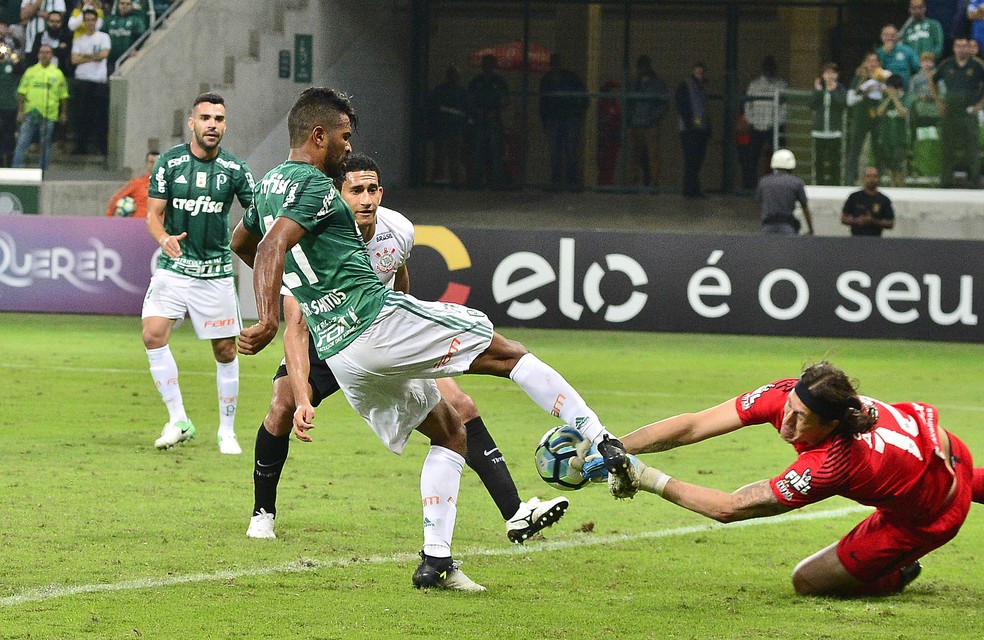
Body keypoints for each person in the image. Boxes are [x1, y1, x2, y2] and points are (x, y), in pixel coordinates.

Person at [238, 87, 632, 592]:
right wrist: (269, 317)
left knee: (450, 430)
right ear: (318, 136)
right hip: (374, 319)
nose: (346, 147)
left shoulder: (269, 185)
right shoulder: (315, 185)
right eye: (343, 137)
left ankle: (436, 562)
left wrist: (302, 288)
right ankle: (603, 440)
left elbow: (243, 243)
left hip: (342, 354)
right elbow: (271, 246)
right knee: (508, 355)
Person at [232, 152, 569, 544]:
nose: (366, 199)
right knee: (282, 405)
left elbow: (401, 285)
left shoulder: (397, 230)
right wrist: (304, 395)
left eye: (372, 189)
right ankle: (263, 513)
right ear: (335, 197)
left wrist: (410, 343)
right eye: (355, 190)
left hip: (383, 333)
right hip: (325, 334)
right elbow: (297, 328)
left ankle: (515, 513)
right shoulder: (314, 233)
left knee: (461, 407)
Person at [592, 361, 984, 597]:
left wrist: (645, 477)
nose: (788, 423)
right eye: (790, 410)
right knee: (966, 477)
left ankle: (895, 572)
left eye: (802, 420)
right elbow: (694, 425)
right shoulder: (787, 395)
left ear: (832, 424)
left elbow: (731, 508)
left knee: (807, 582)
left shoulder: (833, 462)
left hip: (932, 511)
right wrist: (609, 447)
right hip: (947, 452)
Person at [142, 92, 255, 454]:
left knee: (224, 351)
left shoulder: (236, 170)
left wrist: (246, 243)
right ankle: (178, 419)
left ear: (224, 125)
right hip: (175, 268)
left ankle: (227, 430)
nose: (212, 125)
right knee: (152, 334)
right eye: (205, 118)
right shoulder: (170, 163)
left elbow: (257, 217)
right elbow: (153, 215)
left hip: (215, 272)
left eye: (219, 119)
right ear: (192, 123)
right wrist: (164, 239)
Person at [930, 36, 984, 187]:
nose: (961, 49)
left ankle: (974, 181)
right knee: (947, 147)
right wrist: (939, 102)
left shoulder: (977, 66)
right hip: (950, 111)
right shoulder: (947, 64)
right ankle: (946, 181)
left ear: (969, 48)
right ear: (954, 48)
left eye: (964, 46)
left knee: (972, 148)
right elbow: (932, 81)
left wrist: (980, 105)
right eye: (958, 46)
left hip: (968, 111)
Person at [11, 42, 67, 170]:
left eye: (47, 53)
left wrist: (63, 113)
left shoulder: (57, 73)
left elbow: (63, 95)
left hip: (49, 114)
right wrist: (21, 111)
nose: (44, 55)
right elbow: (21, 92)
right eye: (42, 52)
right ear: (38, 55)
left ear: (52, 55)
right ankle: (15, 169)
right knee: (22, 142)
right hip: (31, 113)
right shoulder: (31, 71)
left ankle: (43, 172)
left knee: (46, 145)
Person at [538, 53, 588, 190]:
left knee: (569, 150)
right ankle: (559, 181)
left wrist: (579, 113)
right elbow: (543, 102)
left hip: (567, 118)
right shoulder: (549, 79)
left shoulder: (567, 78)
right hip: (556, 120)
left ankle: (569, 181)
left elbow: (584, 95)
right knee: (557, 151)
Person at [742, 55, 788, 189]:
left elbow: (784, 107)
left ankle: (779, 186)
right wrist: (751, 120)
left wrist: (778, 122)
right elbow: (747, 105)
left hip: (774, 127)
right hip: (757, 126)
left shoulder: (781, 85)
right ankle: (750, 187)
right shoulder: (754, 85)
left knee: (779, 158)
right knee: (751, 159)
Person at [69, 8, 109, 155]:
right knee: (81, 117)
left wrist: (84, 57)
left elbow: (104, 54)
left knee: (100, 117)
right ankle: (80, 147)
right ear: (84, 22)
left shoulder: (103, 37)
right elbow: (74, 60)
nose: (90, 23)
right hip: (82, 81)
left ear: (96, 21)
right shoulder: (79, 40)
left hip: (98, 82)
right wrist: (94, 56)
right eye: (87, 20)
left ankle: (101, 148)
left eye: (93, 20)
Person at [625, 54, 669, 188]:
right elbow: (627, 103)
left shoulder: (656, 84)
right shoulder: (634, 84)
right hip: (636, 124)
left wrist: (652, 119)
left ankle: (653, 183)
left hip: (648, 125)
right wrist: (630, 118)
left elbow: (663, 104)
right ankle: (635, 183)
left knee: (651, 156)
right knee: (635, 156)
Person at [467, 53, 509, 189]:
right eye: (486, 64)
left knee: (495, 152)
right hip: (479, 121)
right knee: (478, 152)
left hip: (494, 121)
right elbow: (470, 100)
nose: (488, 67)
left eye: (490, 64)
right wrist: (478, 111)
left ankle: (496, 182)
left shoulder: (500, 82)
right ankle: (477, 182)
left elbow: (506, 100)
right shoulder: (476, 82)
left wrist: (495, 111)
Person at [844, 52, 887, 185]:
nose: (873, 64)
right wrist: (863, 94)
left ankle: (879, 180)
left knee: (879, 148)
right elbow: (850, 100)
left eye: (875, 61)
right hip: (861, 116)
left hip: (877, 117)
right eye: (870, 61)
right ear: (865, 63)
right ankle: (849, 179)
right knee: (855, 148)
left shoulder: (884, 77)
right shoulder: (859, 77)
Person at [426, 64, 469, 186]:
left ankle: (454, 180)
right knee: (441, 154)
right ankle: (440, 179)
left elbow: (467, 110)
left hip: (456, 128)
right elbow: (433, 109)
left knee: (455, 156)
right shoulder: (440, 91)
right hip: (442, 128)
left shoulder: (462, 93)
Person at [756, 149, 814, 235]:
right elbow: (805, 207)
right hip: (787, 226)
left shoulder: (764, 182)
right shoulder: (796, 183)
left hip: (767, 227)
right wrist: (810, 229)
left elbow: (759, 203)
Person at [675, 61, 711, 198]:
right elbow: (683, 106)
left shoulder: (700, 88)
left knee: (695, 161)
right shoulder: (687, 86)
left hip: (699, 129)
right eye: (698, 72)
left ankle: (691, 188)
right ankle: (691, 189)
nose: (699, 76)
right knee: (692, 160)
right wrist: (690, 124)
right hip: (691, 130)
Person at [810, 62, 848, 185]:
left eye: (833, 73)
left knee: (834, 161)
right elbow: (812, 105)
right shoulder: (819, 88)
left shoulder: (840, 89)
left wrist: (832, 92)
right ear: (822, 75)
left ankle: (835, 184)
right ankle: (819, 184)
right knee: (819, 161)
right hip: (819, 132)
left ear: (837, 75)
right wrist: (820, 92)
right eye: (827, 73)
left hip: (834, 132)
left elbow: (842, 105)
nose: (830, 76)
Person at [875, 74, 910, 186]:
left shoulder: (906, 98)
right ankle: (892, 186)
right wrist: (889, 98)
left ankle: (901, 187)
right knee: (889, 165)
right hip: (886, 138)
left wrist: (894, 97)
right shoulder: (885, 99)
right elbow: (879, 112)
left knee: (898, 166)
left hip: (900, 139)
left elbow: (902, 112)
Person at [841, 166, 896, 236]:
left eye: (874, 176)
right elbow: (843, 218)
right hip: (856, 239)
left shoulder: (884, 199)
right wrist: (857, 221)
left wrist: (873, 221)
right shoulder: (854, 197)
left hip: (876, 240)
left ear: (878, 178)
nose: (871, 179)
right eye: (868, 176)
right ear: (864, 178)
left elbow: (891, 223)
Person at [104, 149, 157, 217]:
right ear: (147, 163)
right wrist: (109, 220)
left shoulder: (168, 185)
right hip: (140, 224)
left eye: (157, 162)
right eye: (151, 162)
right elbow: (115, 199)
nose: (155, 165)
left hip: (160, 225)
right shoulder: (137, 183)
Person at [0, 18, 24, 167]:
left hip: (9, 105)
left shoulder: (11, 63)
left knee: (9, 134)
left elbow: (21, 68)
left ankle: (8, 162)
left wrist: (10, 53)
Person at [103, 0, 145, 75]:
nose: (124, 6)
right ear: (118, 5)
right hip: (110, 59)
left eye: (127, 4)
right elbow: (102, 35)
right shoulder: (110, 19)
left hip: (128, 59)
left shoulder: (137, 20)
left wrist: (136, 49)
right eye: (122, 3)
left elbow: (141, 38)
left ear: (131, 6)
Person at [596, 79, 622, 186]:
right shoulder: (603, 102)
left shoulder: (615, 103)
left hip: (613, 135)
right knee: (603, 160)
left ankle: (608, 182)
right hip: (604, 135)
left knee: (611, 161)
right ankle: (604, 182)